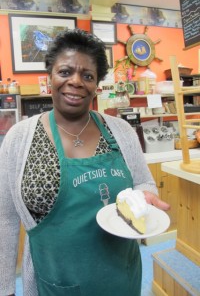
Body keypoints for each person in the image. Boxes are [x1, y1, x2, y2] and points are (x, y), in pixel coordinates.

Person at [0, 28, 170, 296]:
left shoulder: (121, 131)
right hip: (54, 282)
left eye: (87, 76)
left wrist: (145, 197)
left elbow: (143, 181)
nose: (76, 82)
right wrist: (5, 288)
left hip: (120, 276)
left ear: (97, 85)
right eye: (65, 72)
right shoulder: (19, 138)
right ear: (50, 76)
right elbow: (6, 218)